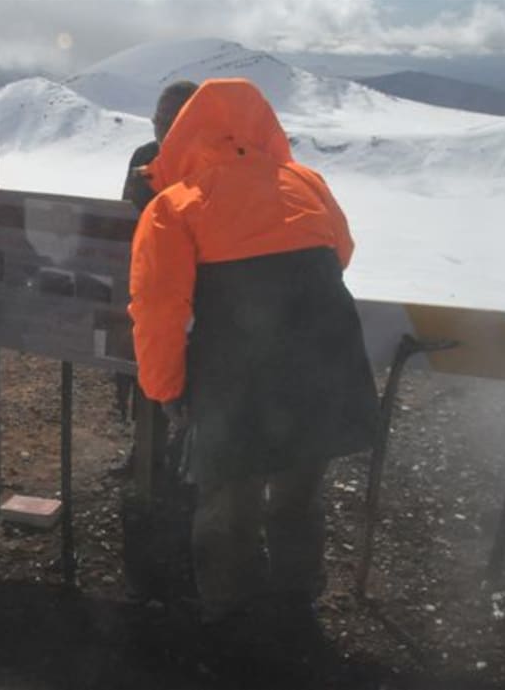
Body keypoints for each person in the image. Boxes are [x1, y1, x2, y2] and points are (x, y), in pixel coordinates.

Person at [128, 79, 378, 642]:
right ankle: (297, 593)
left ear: (181, 133)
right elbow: (341, 250)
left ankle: (227, 607)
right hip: (323, 369)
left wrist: (166, 391)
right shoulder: (306, 181)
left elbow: (158, 311)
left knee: (227, 493)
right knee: (299, 486)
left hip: (237, 380)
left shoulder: (174, 206)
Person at [112, 80, 197, 448]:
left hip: (192, 287)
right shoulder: (144, 156)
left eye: (172, 121)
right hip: (145, 278)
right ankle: (146, 451)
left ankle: (185, 454)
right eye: (158, 120)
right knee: (143, 366)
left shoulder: (207, 162)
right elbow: (125, 220)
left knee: (186, 373)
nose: (162, 129)